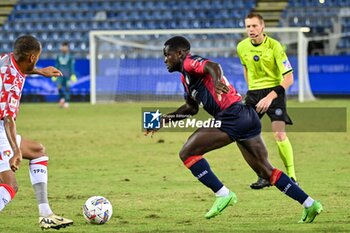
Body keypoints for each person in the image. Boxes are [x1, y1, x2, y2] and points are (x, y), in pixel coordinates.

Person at [145, 36, 322, 222]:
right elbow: (191, 108)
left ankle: (223, 194)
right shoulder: (185, 78)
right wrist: (162, 121)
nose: (165, 60)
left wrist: (215, 81)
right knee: (266, 172)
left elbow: (213, 66)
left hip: (232, 115)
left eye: (167, 55)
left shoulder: (190, 62)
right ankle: (310, 204)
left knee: (187, 153)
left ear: (179, 54)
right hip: (245, 116)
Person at [0, 35, 73, 230]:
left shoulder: (6, 59)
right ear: (32, 57)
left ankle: (45, 214)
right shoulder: (13, 83)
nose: (37, 61)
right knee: (10, 186)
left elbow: (21, 69)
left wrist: (41, 72)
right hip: (1, 129)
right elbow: (8, 119)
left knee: (38, 151)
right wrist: (16, 151)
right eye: (38, 58)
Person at [237, 13, 297, 190]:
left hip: (274, 93)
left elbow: (289, 78)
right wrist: (251, 90)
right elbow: (246, 68)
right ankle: (263, 175)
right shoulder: (241, 47)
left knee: (279, 134)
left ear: (262, 27)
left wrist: (270, 97)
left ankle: (292, 176)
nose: (251, 30)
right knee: (244, 136)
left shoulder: (275, 46)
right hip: (254, 94)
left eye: (254, 26)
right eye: (248, 26)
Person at [52, 41, 76, 108]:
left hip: (67, 75)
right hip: (60, 75)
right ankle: (62, 99)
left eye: (65, 46)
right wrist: (54, 74)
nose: (64, 48)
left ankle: (67, 101)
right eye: (63, 46)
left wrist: (73, 74)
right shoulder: (58, 56)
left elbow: (72, 66)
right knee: (59, 87)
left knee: (67, 88)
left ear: (67, 48)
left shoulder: (70, 57)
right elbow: (57, 65)